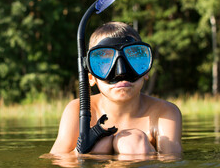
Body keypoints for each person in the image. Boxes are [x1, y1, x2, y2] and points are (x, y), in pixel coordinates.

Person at [50, 21, 182, 155]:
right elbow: (57, 161)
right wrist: (80, 151)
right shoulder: (77, 110)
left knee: (132, 141)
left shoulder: (164, 113)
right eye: (105, 63)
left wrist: (143, 150)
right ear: (91, 77)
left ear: (146, 70)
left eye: (132, 61)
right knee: (100, 144)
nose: (121, 72)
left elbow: (171, 165)